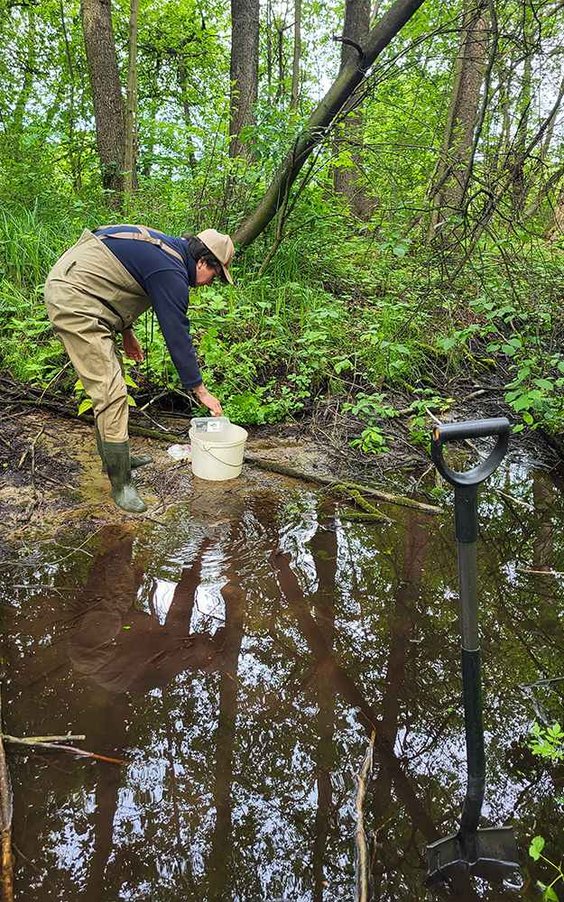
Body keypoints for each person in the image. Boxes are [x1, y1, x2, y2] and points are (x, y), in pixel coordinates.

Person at [44, 224, 235, 514]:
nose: (211, 283)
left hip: (91, 297)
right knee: (111, 392)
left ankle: (116, 457)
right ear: (201, 262)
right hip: (75, 300)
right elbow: (177, 334)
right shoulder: (171, 272)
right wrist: (200, 390)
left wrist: (126, 331)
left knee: (111, 384)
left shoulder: (165, 253)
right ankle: (121, 483)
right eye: (215, 275)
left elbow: (117, 275)